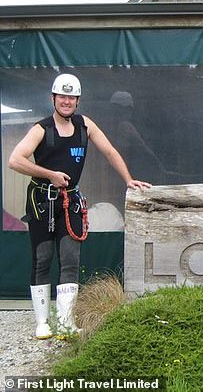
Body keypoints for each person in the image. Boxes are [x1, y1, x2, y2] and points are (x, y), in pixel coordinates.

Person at [8, 74, 152, 339]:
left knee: (71, 259)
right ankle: (42, 323)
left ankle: (65, 323)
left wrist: (128, 179)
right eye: (62, 96)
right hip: (42, 201)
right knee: (42, 259)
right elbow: (15, 160)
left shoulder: (85, 126)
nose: (66, 101)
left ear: (77, 100)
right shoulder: (42, 129)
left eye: (71, 97)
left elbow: (109, 151)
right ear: (53, 98)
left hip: (70, 201)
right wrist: (49, 174)